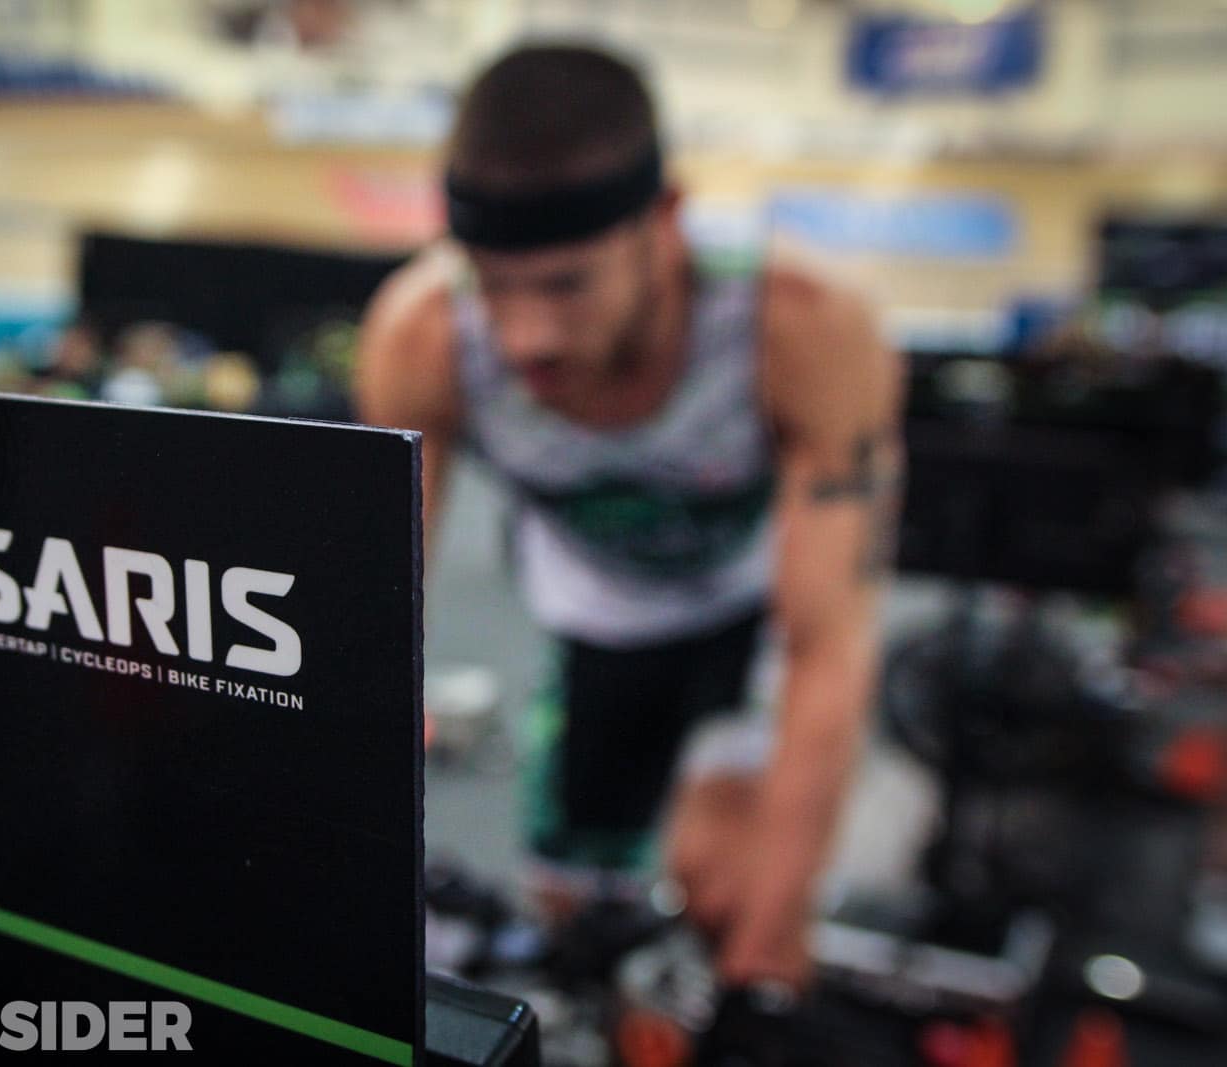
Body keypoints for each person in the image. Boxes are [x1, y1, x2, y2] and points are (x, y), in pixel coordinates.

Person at [354, 43, 905, 992]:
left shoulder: (802, 324)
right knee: (573, 919)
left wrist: (772, 945)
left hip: (750, 622)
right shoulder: (423, 337)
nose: (525, 337)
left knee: (728, 890)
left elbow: (830, 647)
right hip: (598, 622)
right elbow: (368, 630)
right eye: (492, 280)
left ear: (666, 220)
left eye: (567, 283)